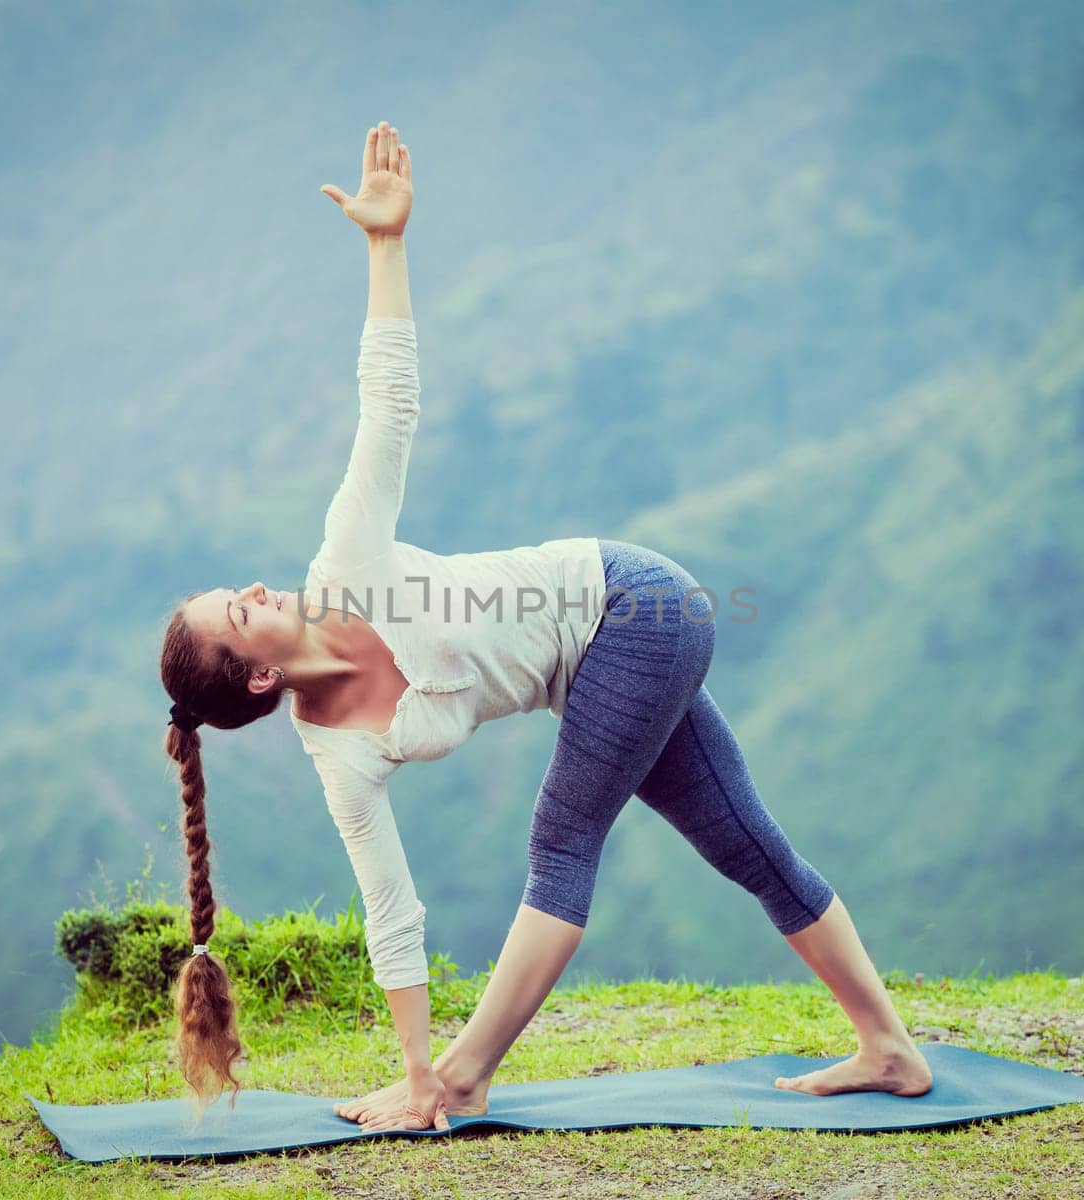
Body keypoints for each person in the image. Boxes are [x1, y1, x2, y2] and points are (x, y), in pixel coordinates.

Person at [159, 119, 933, 1128]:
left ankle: (471, 1076)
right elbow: (391, 913)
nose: (258, 589)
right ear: (255, 678)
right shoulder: (337, 754)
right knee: (744, 842)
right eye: (239, 611)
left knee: (559, 843)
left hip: (634, 603)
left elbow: (386, 404)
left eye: (240, 586)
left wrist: (384, 246)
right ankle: (890, 1049)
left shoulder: (343, 562)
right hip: (604, 665)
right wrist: (410, 1065)